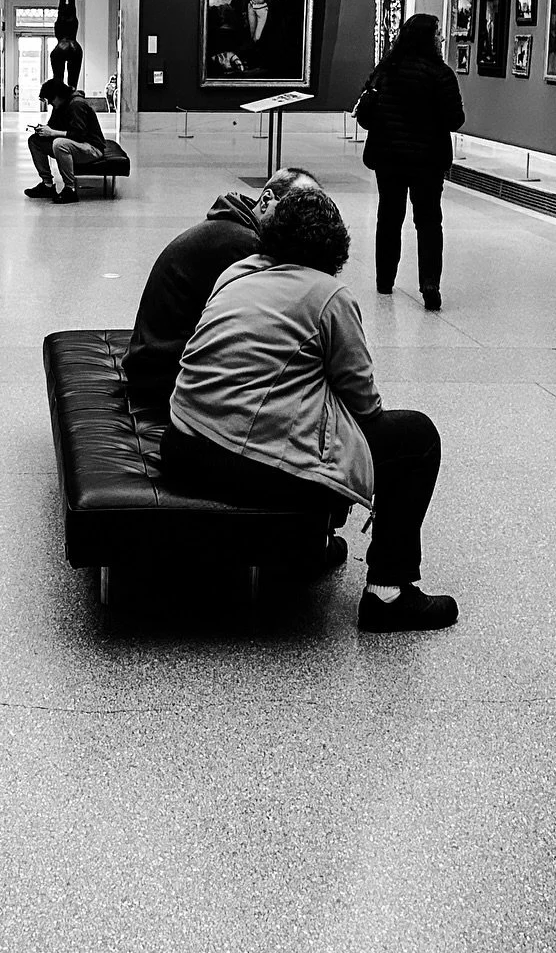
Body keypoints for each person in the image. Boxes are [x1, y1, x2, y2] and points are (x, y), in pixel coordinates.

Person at [162, 185, 457, 631]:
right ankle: (389, 593)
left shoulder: (237, 272)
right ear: (335, 247)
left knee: (307, 409)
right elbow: (365, 405)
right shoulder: (328, 296)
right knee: (414, 439)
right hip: (238, 459)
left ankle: (307, 550)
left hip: (182, 443)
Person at [122, 164, 322, 410]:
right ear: (267, 199)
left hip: (155, 360)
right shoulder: (244, 245)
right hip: (163, 375)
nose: (301, 221)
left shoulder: (233, 225)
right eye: (294, 209)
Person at [356, 12, 465, 311]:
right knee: (429, 222)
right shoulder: (441, 74)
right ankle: (430, 284)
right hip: (427, 160)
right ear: (428, 39)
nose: (442, 39)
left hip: (388, 156)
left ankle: (384, 281)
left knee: (389, 217)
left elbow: (366, 113)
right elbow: (455, 119)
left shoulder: (385, 70)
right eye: (438, 34)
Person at [26, 75, 105, 204]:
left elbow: (80, 135)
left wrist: (53, 132)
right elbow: (53, 126)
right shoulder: (60, 105)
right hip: (76, 145)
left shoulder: (77, 105)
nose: (50, 103)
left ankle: (70, 189)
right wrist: (45, 130)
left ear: (57, 96)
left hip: (92, 148)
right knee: (35, 141)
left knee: (59, 144)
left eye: (51, 100)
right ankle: (47, 185)